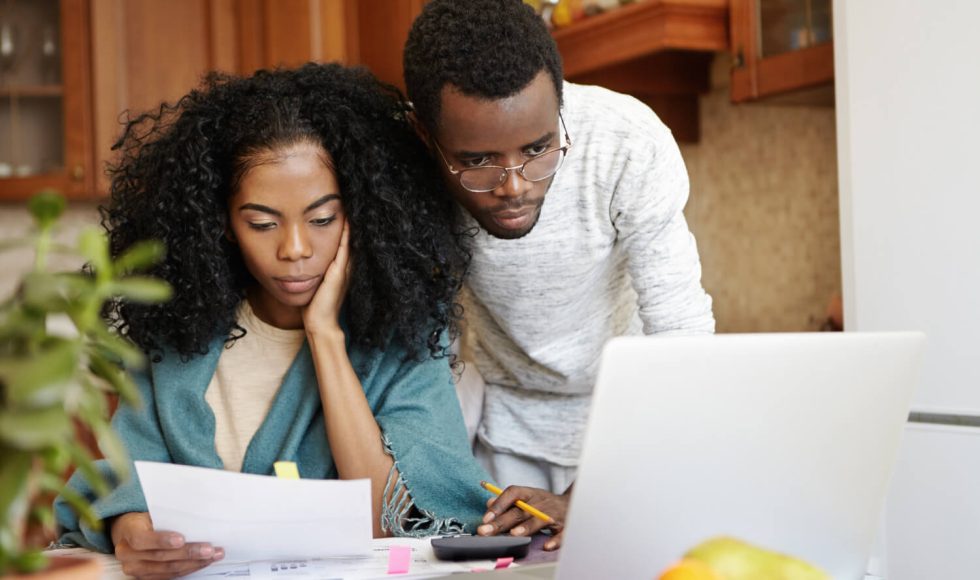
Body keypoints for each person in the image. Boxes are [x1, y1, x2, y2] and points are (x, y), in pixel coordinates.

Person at [55, 63, 490, 578]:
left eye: (323, 219)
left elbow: (400, 519)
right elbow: (125, 480)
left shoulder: (405, 339)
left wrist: (325, 335)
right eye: (262, 223)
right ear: (222, 222)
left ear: (364, 212)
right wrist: (133, 533)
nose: (295, 249)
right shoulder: (176, 333)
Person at [403, 0, 716, 549]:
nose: (514, 185)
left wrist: (592, 495)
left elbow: (682, 338)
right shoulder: (405, 169)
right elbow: (426, 346)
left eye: (539, 148)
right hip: (503, 433)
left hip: (639, 426)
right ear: (426, 136)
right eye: (478, 160)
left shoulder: (626, 143)